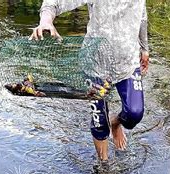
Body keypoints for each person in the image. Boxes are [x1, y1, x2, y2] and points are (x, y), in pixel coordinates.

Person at [30, 0, 149, 162]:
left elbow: (141, 14)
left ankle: (115, 122)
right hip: (95, 64)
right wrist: (46, 20)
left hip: (128, 63)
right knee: (100, 122)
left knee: (135, 113)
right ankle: (103, 165)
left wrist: (144, 47)